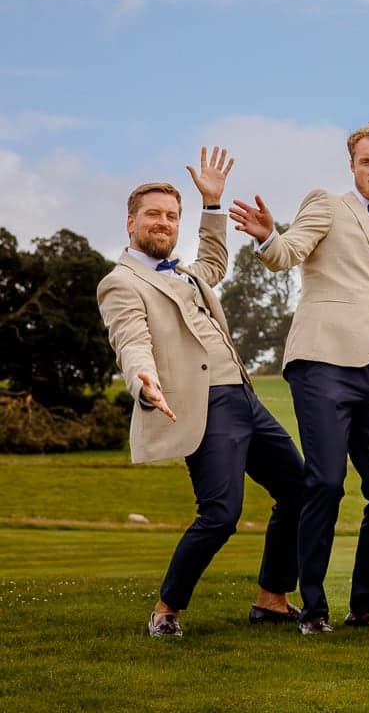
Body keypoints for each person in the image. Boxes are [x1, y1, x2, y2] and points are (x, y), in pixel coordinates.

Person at [230, 123, 369, 633]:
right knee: (324, 480)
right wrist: (267, 236)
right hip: (323, 362)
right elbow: (288, 252)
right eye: (366, 161)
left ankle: (364, 605)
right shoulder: (326, 203)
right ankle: (314, 608)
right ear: (352, 166)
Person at [97, 148, 304, 637]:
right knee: (220, 514)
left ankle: (272, 598)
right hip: (205, 406)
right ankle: (166, 609)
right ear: (130, 223)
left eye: (172, 215)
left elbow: (213, 258)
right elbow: (131, 341)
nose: (164, 223)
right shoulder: (122, 284)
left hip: (245, 398)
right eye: (153, 215)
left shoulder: (187, 274)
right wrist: (144, 383)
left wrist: (211, 205)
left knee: (300, 489)